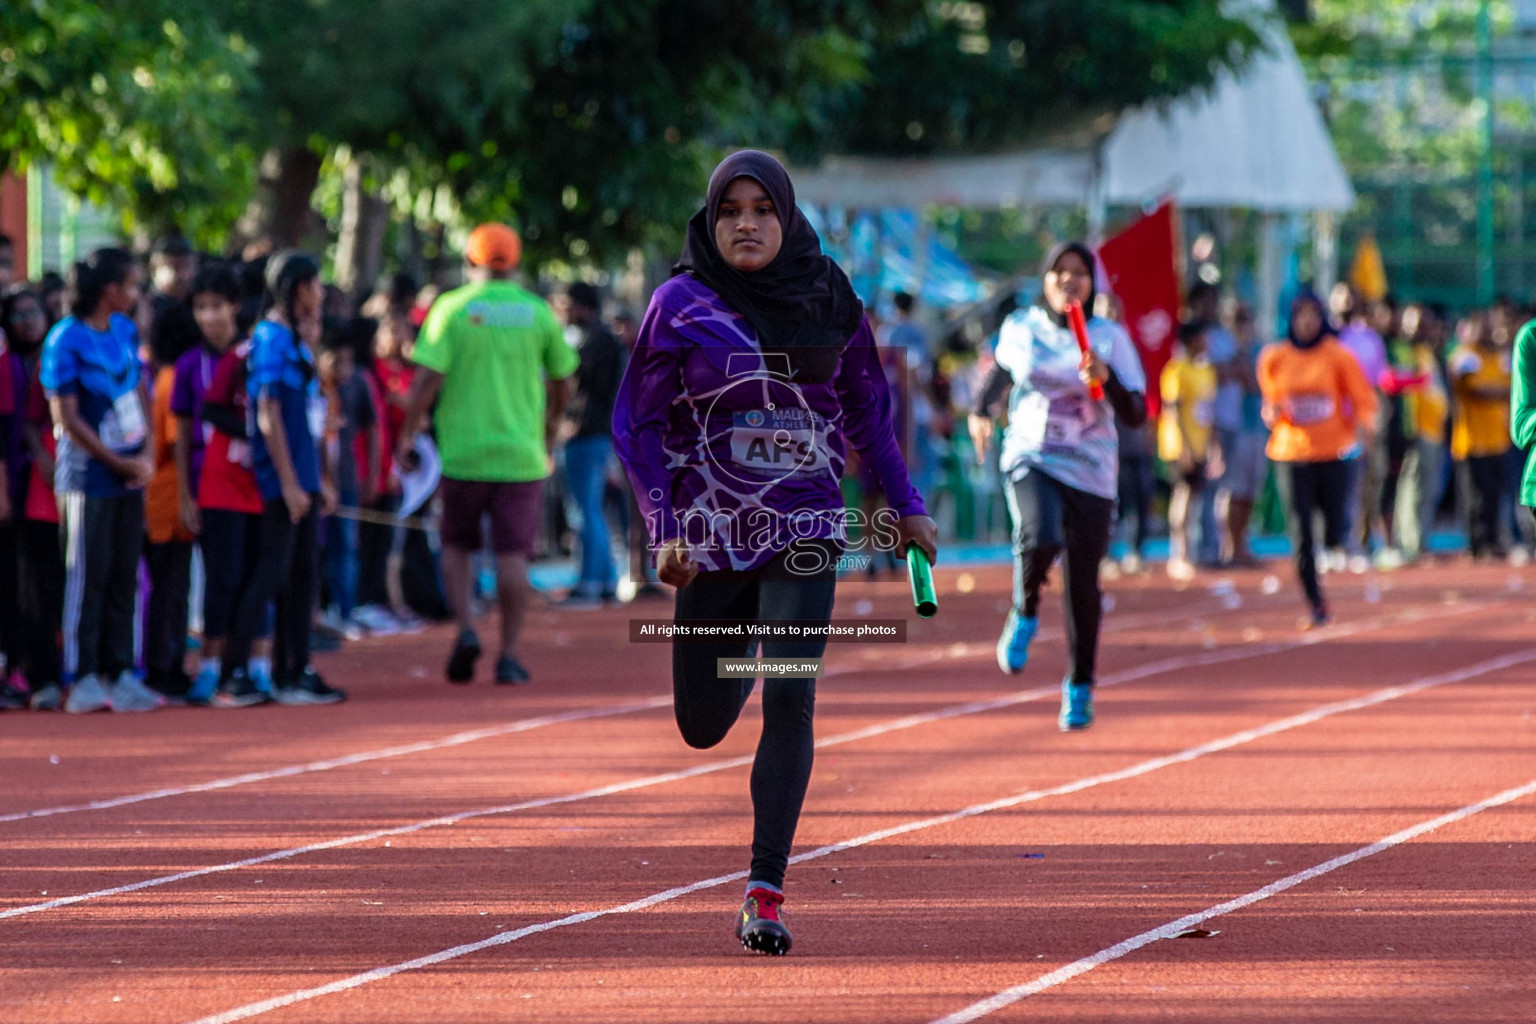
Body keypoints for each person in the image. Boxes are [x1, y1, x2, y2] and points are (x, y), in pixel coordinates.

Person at [614, 151, 935, 955]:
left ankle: (765, 891)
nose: (748, 224)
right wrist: (664, 528)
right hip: (712, 539)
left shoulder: (830, 297)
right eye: (732, 211)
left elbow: (867, 413)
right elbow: (638, 424)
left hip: (806, 530)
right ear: (711, 221)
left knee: (790, 700)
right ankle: (741, 636)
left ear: (786, 217)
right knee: (701, 723)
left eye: (763, 209)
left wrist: (909, 508)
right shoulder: (678, 304)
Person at [968, 242, 1147, 730]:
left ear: (1093, 283)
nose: (1069, 280)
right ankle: (1024, 610)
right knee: (1040, 534)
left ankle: (1080, 685)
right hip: (1033, 455)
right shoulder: (1022, 328)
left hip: (1091, 471)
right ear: (1045, 280)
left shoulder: (1108, 337)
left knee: (1083, 587)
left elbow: (1136, 413)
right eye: (1059, 272)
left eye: (1079, 273)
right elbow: (999, 376)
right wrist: (980, 412)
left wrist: (1106, 379)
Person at [396, 223, 579, 685]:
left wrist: (407, 433)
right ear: (514, 263)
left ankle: (465, 629)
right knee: (513, 555)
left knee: (457, 545)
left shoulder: (450, 309)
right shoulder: (537, 312)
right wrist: (552, 422)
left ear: (470, 262)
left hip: (462, 453)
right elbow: (564, 378)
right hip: (522, 455)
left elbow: (426, 380)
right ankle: (510, 653)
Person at [40, 248, 166, 713]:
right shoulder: (65, 339)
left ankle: (121, 670)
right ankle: (82, 673)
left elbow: (139, 390)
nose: (136, 295)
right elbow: (66, 417)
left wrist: (148, 451)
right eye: (131, 285)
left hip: (129, 474)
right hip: (88, 476)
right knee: (85, 575)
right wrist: (115, 459)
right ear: (110, 289)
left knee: (124, 573)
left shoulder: (125, 331)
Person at [218, 250, 345, 706]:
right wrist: (290, 483)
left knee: (303, 575)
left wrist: (319, 481)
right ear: (295, 289)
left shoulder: (295, 339)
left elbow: (310, 416)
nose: (321, 293)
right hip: (282, 478)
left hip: (305, 475)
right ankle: (235, 670)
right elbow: (268, 416)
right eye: (314, 285)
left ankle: (294, 667)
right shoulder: (269, 339)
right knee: (271, 571)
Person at [1258, 292, 1377, 627]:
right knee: (1301, 532)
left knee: (1335, 528)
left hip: (1333, 452)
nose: (1307, 322)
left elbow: (1363, 399)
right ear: (1291, 320)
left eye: (1313, 315)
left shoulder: (1337, 356)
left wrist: (1366, 432)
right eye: (1300, 315)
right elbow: (1271, 400)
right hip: (1290, 453)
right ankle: (1315, 603)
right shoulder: (1274, 357)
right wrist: (1271, 412)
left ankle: (1336, 543)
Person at [2, 287, 60, 708]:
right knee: (20, 586)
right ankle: (23, 670)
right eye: (18, 313)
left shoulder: (51, 355)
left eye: (33, 311)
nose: (27, 320)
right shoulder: (10, 362)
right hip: (19, 485)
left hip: (43, 489)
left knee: (43, 584)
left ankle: (43, 672)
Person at [143, 285, 198, 700]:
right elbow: (175, 442)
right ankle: (163, 665)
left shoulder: (164, 377)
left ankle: (169, 661)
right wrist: (186, 498)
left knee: (173, 587)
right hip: (167, 500)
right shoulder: (174, 379)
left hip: (164, 498)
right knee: (169, 588)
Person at [558, 281, 625, 608]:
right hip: (595, 436)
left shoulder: (596, 340)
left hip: (588, 436)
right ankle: (606, 580)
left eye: (567, 304)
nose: (563, 311)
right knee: (591, 510)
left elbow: (576, 381)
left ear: (582, 305)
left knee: (585, 512)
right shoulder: (601, 338)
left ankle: (591, 583)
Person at [1447, 311, 1512, 561]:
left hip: (1498, 439)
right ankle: (1477, 544)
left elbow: (1515, 387)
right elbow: (1475, 390)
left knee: (1495, 494)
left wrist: (1497, 390)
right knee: (1475, 497)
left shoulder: (1500, 357)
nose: (1487, 333)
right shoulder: (1465, 357)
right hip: (1472, 440)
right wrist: (1499, 391)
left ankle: (1494, 541)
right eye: (1481, 328)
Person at [1159, 321, 1217, 580]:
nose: (1206, 341)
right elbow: (1172, 410)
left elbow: (1208, 413)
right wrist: (1183, 447)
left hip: (1200, 445)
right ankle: (1178, 554)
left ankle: (1188, 552)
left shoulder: (1206, 371)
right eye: (1202, 336)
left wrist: (1213, 448)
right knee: (1181, 496)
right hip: (1180, 446)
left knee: (1192, 500)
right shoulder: (1176, 370)